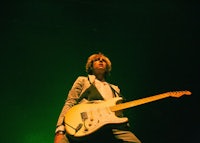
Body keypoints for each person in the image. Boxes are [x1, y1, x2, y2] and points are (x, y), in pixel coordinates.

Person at [54, 52, 141, 143]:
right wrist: (60, 129)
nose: (100, 61)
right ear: (91, 66)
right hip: (84, 123)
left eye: (103, 60)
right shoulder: (83, 80)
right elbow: (70, 102)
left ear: (107, 67)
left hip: (109, 124)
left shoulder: (115, 89)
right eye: (97, 60)